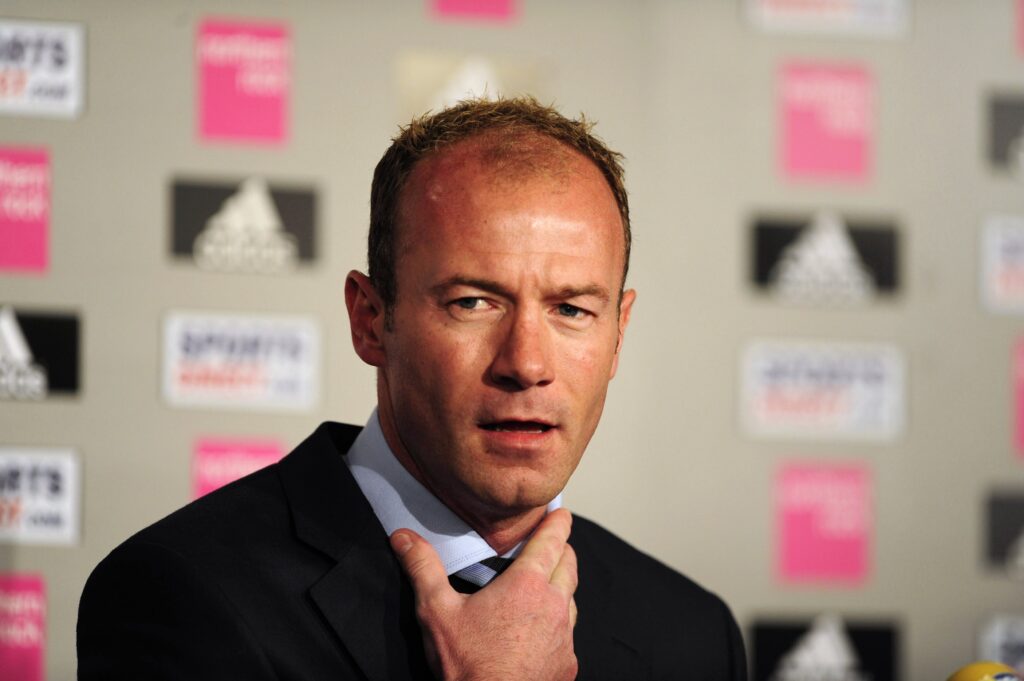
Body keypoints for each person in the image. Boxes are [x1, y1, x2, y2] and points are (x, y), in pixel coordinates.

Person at [77, 97, 746, 680]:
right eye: (474, 302)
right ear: (371, 321)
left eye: (572, 310)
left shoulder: (691, 632)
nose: (527, 363)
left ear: (618, 335)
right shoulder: (181, 594)